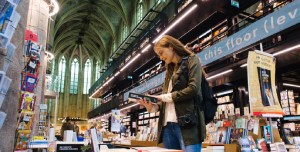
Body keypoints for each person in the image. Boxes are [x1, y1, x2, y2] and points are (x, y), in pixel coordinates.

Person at [136, 35, 205, 152]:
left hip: (187, 126)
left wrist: (163, 97)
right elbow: (168, 101)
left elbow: (193, 89)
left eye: (161, 53)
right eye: (159, 55)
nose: (161, 57)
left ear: (171, 47)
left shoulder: (192, 60)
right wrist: (152, 107)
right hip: (167, 127)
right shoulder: (170, 69)